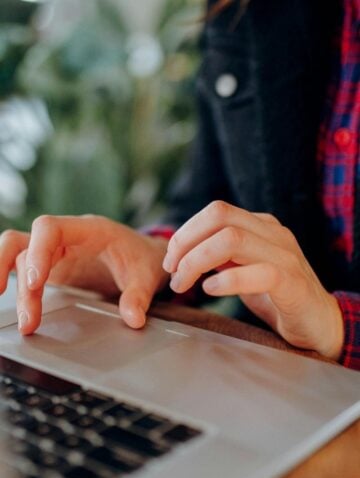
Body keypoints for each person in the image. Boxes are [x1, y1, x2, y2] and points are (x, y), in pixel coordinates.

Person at [0, 0, 359, 371]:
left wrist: (337, 325)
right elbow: (211, 200)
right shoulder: (242, 11)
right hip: (267, 377)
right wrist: (151, 256)